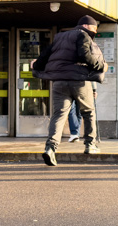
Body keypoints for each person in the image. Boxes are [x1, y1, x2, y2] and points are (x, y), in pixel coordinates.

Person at [32, 15, 106, 166]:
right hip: (78, 81)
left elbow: (45, 55)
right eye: (94, 28)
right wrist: (100, 66)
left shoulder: (60, 37)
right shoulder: (83, 35)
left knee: (59, 115)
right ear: (86, 26)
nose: (95, 31)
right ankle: (90, 145)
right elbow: (84, 55)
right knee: (88, 111)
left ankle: (50, 148)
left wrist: (36, 66)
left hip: (59, 82)